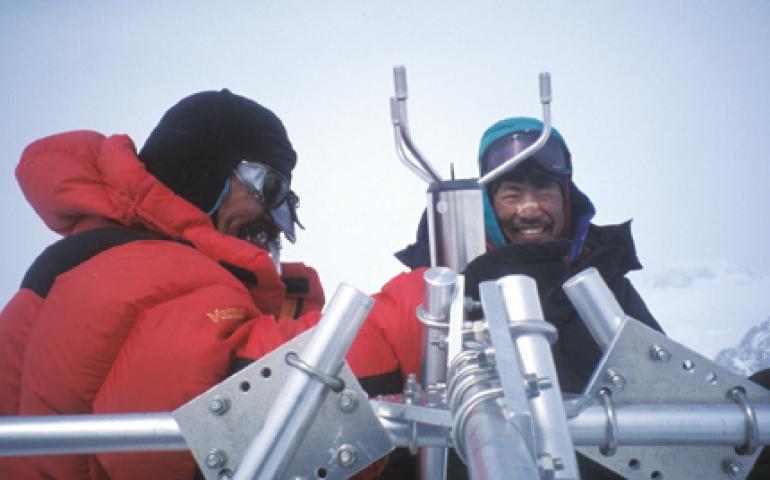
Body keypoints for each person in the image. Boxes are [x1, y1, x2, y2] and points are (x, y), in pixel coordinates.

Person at [0, 89, 326, 479]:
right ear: (204, 174)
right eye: (269, 190)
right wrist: (402, 323)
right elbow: (220, 408)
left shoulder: (105, 258)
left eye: (287, 205)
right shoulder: (150, 273)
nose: (275, 221)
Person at [394, 116, 663, 478]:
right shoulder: (441, 285)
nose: (530, 208)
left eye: (545, 191)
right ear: (487, 204)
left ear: (566, 198)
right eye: (512, 194)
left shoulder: (603, 279)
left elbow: (662, 386)